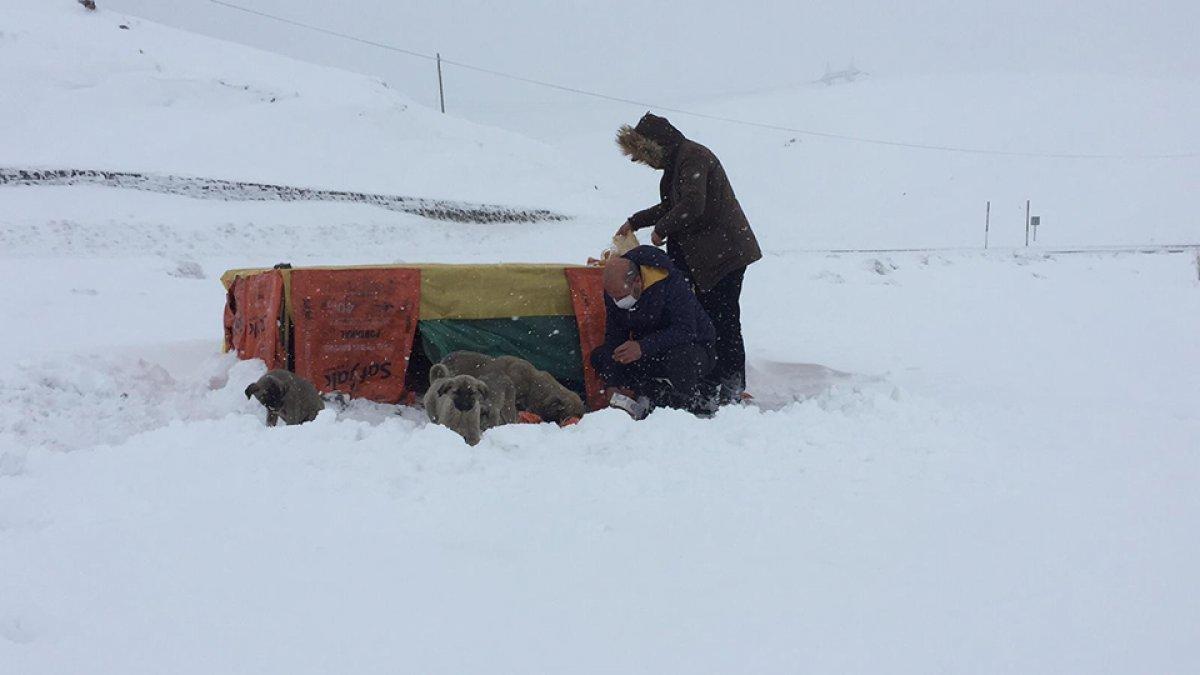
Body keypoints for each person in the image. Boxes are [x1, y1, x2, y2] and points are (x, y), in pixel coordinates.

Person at [615, 112, 762, 404]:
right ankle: (715, 382)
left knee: (723, 319)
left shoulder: (693, 158)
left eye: (644, 156)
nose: (646, 163)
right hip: (710, 256)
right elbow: (671, 205)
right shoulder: (679, 161)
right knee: (710, 319)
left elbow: (693, 204)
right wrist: (635, 221)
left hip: (723, 254)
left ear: (654, 146)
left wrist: (661, 229)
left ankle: (730, 386)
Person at [589, 246, 716, 418]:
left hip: (692, 349)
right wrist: (612, 383)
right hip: (649, 351)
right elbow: (614, 336)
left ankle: (688, 402)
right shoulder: (614, 291)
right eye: (613, 297)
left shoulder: (671, 281)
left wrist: (643, 346)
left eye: (621, 296)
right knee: (601, 356)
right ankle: (650, 393)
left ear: (637, 281)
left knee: (681, 358)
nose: (617, 302)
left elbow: (685, 330)